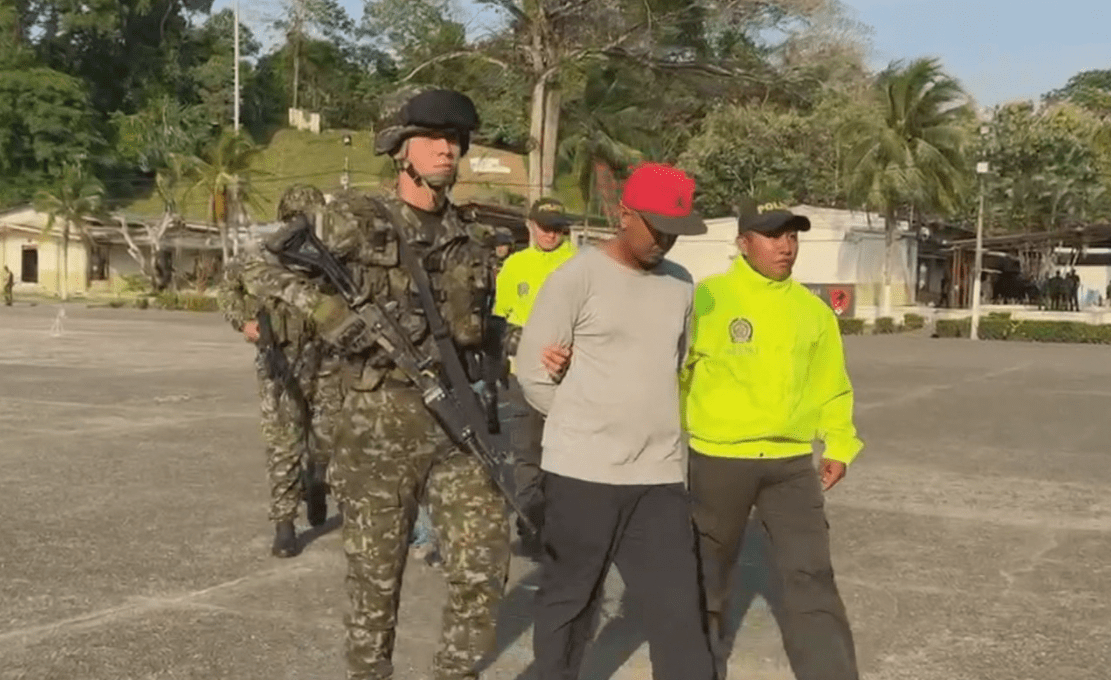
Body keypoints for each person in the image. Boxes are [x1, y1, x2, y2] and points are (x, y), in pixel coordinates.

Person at [242, 87, 510, 680]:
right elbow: (258, 265)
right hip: (374, 426)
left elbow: (475, 327)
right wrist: (326, 312)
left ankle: (456, 672)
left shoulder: (470, 238)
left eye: (456, 139)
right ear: (399, 149)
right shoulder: (352, 218)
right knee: (375, 577)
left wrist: (514, 344)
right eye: (433, 138)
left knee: (484, 563)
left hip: (459, 421)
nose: (448, 148)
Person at [515, 162, 715, 680]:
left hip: (659, 478)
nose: (666, 240)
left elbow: (674, 365)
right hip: (583, 475)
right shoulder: (576, 278)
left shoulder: (681, 285)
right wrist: (582, 426)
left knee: (679, 613)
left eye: (675, 230)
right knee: (570, 603)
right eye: (656, 227)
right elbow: (532, 371)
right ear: (623, 213)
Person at [680, 208, 864, 680]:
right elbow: (676, 372)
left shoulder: (813, 312)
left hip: (790, 466)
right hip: (719, 459)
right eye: (772, 236)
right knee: (706, 577)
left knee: (811, 577)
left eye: (792, 237)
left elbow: (833, 386)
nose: (786, 247)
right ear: (743, 243)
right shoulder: (706, 299)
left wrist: (839, 443)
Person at [215, 183, 330, 558]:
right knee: (283, 443)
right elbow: (227, 289)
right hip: (280, 361)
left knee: (326, 438)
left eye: (309, 220)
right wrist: (243, 322)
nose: (302, 227)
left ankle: (316, 481)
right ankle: (284, 523)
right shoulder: (260, 257)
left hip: (327, 359)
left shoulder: (331, 258)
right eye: (295, 221)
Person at [492, 197, 576, 554]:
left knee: (567, 456)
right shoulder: (515, 265)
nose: (551, 234)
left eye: (558, 227)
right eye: (544, 227)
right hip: (523, 378)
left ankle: (564, 526)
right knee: (526, 455)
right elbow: (500, 321)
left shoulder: (579, 263)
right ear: (530, 226)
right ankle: (529, 524)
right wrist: (527, 347)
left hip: (570, 379)